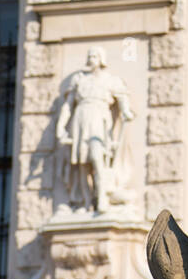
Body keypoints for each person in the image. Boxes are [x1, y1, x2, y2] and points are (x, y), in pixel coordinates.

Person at [56, 48, 134, 215]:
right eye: (89, 56)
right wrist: (60, 127)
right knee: (82, 164)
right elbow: (68, 106)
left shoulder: (109, 80)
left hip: (98, 121)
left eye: (95, 56)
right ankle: (85, 201)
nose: (91, 59)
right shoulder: (79, 79)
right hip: (80, 119)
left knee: (96, 158)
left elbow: (122, 98)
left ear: (101, 59)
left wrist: (126, 111)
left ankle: (102, 196)